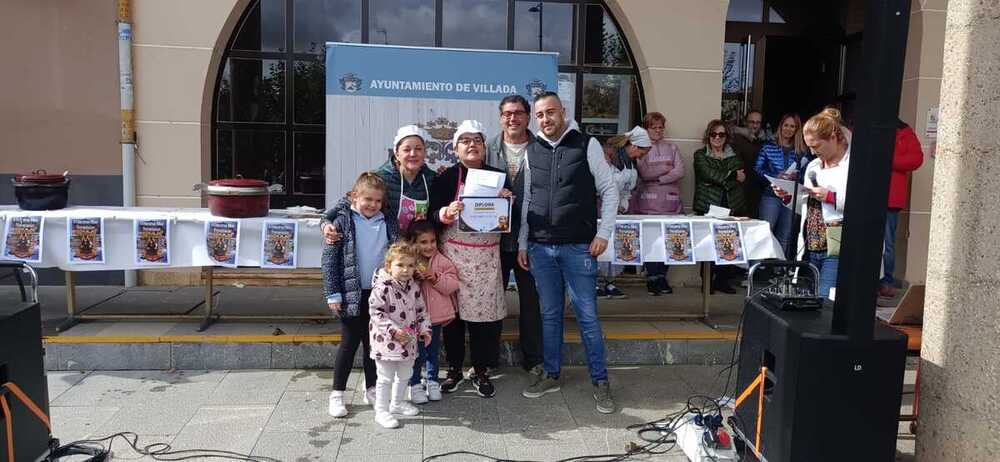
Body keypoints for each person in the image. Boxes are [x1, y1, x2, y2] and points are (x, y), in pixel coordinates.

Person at [517, 92, 619, 414]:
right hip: (540, 247)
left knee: (587, 317)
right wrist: (523, 242)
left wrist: (604, 233)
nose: (546, 120)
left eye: (551, 113)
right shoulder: (531, 150)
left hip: (578, 248)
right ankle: (551, 374)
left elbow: (610, 189)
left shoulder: (586, 144)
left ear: (564, 112)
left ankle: (600, 382)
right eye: (540, 115)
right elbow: (527, 201)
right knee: (549, 316)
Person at [429, 120, 512, 398]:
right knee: (453, 319)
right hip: (453, 256)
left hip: (486, 259)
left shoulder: (500, 177)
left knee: (483, 321)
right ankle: (453, 368)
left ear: (484, 147)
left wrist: (507, 200)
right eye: (465, 140)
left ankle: (480, 369)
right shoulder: (444, 178)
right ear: (455, 149)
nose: (472, 144)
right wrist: (445, 213)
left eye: (477, 139)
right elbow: (431, 216)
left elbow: (508, 217)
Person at [323, 172, 400, 418]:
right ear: (354, 197)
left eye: (377, 201)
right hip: (350, 293)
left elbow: (396, 251)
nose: (372, 205)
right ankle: (337, 393)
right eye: (367, 199)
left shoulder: (387, 220)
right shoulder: (343, 221)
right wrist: (333, 292)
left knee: (373, 344)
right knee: (349, 343)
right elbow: (329, 260)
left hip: (379, 293)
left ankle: (372, 388)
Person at [485, 94, 544, 377]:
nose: (513, 118)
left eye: (519, 113)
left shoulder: (542, 148)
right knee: (491, 300)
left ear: (527, 116)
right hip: (494, 241)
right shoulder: (487, 149)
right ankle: (488, 360)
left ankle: (533, 360)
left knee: (531, 301)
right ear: (500, 117)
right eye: (507, 113)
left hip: (530, 239)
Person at [776, 108, 850, 299]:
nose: (812, 151)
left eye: (816, 146)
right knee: (808, 301)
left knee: (826, 300)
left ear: (833, 137)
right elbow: (806, 204)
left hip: (837, 243)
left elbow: (866, 203)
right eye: (809, 146)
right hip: (811, 244)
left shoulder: (853, 164)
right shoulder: (814, 165)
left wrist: (832, 197)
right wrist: (787, 195)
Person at [321, 125, 436, 244]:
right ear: (397, 153)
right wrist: (326, 224)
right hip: (386, 247)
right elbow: (347, 203)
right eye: (406, 150)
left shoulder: (431, 178)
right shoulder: (380, 177)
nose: (413, 154)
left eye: (418, 149)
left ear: (424, 153)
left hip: (417, 247)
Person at [367, 242, 432, 429]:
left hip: (409, 340)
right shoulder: (382, 287)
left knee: (406, 374)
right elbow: (376, 313)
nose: (406, 270)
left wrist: (425, 329)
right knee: (385, 377)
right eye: (400, 265)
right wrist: (393, 331)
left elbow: (421, 310)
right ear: (389, 266)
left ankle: (396, 403)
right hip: (386, 341)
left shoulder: (413, 286)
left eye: (411, 265)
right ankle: (381, 410)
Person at [630, 112, 685, 295]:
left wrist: (659, 178)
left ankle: (662, 276)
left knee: (669, 239)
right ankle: (652, 277)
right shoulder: (640, 148)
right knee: (651, 240)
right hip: (648, 203)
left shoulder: (672, 147)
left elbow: (680, 171)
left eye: (661, 127)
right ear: (647, 128)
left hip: (670, 202)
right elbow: (644, 173)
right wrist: (666, 169)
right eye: (654, 127)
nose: (658, 130)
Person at [405, 219, 459, 404]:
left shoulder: (443, 261)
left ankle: (433, 381)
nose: (429, 246)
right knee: (416, 351)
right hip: (413, 318)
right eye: (423, 242)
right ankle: (414, 384)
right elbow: (398, 284)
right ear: (413, 243)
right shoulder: (407, 262)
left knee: (432, 351)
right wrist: (413, 276)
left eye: (432, 241)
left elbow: (452, 285)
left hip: (434, 317)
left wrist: (435, 277)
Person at [596, 126, 652, 299]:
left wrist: (623, 203)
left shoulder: (630, 162)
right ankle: (595, 282)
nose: (643, 156)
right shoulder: (606, 157)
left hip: (617, 211)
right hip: (599, 206)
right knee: (598, 244)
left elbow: (627, 189)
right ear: (634, 146)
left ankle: (610, 282)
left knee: (615, 245)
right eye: (643, 152)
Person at [693, 120, 746, 294]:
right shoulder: (700, 155)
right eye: (713, 134)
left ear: (726, 137)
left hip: (729, 204)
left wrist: (720, 179)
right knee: (708, 245)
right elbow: (708, 174)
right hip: (708, 205)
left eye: (721, 134)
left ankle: (722, 281)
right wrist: (730, 175)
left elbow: (737, 178)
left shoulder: (734, 155)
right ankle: (707, 282)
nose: (717, 138)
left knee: (728, 243)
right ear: (708, 136)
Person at [880, 119, 923, 299]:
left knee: (887, 243)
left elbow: (916, 159)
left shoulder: (906, 133)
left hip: (891, 198)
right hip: (870, 193)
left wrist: (889, 159)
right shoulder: (874, 127)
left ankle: (886, 282)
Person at [754, 113, 807, 257]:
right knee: (766, 232)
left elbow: (807, 174)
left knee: (785, 235)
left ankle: (779, 270)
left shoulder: (801, 151)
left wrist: (797, 176)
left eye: (793, 126)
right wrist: (775, 176)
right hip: (771, 194)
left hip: (791, 196)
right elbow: (757, 169)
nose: (788, 129)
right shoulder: (768, 147)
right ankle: (760, 266)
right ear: (780, 126)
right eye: (786, 125)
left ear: (797, 129)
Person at [730, 110, 768, 218]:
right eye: (751, 122)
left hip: (758, 189)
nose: (755, 125)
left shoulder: (764, 141)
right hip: (741, 188)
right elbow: (734, 161)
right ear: (746, 122)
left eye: (757, 122)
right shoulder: (737, 139)